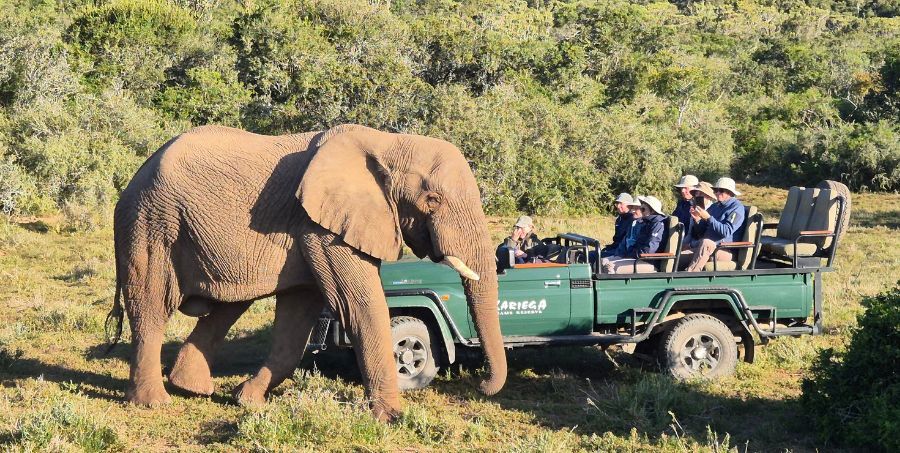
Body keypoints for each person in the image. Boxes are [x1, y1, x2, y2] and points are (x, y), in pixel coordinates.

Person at [684, 177, 745, 272]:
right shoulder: (715, 206)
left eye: (721, 191)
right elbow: (702, 232)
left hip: (725, 250)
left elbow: (726, 231)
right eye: (715, 190)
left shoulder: (737, 208)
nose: (717, 193)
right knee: (678, 258)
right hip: (706, 247)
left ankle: (689, 275)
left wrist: (708, 217)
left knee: (707, 243)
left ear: (730, 193)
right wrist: (697, 220)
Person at [602, 196, 667, 274]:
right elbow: (636, 243)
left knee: (609, 266)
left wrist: (631, 254)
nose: (641, 212)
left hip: (648, 260)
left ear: (652, 211)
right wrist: (628, 253)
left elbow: (649, 250)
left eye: (643, 209)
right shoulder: (646, 223)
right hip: (638, 257)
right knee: (602, 261)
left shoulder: (658, 225)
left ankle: (612, 285)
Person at [600, 193, 635, 258]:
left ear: (629, 205)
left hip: (623, 252)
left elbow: (627, 242)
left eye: (621, 203)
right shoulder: (619, 219)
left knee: (593, 256)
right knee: (590, 254)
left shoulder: (634, 220)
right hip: (616, 249)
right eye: (617, 203)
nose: (618, 206)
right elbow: (616, 240)